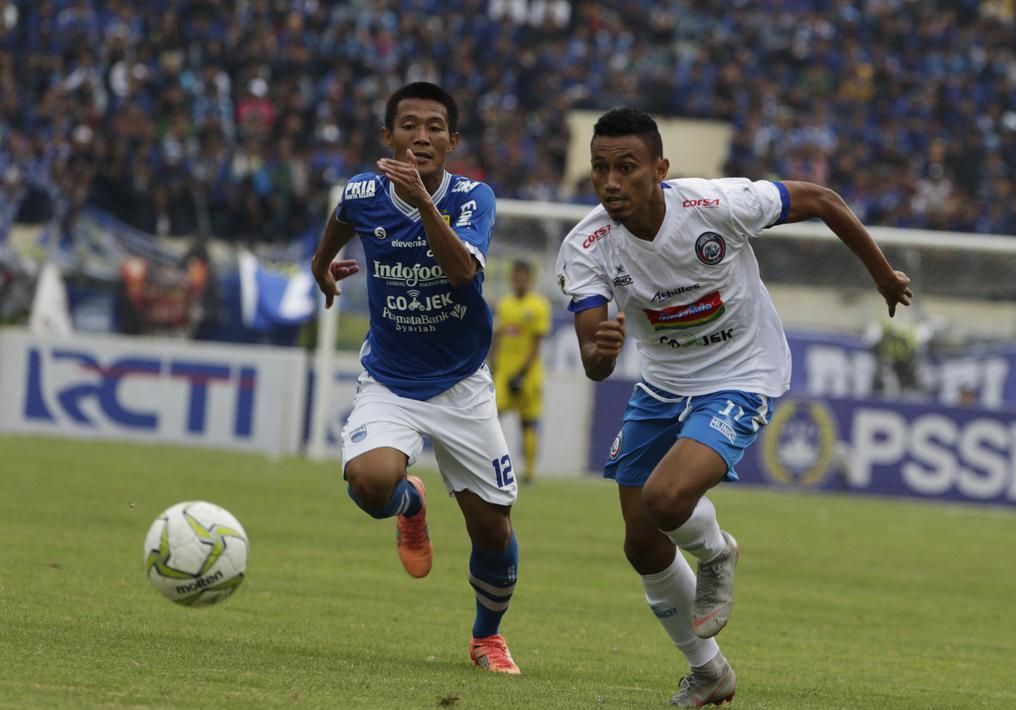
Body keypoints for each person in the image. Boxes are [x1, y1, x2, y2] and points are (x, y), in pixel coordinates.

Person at [555, 108, 912, 706]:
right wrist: (601, 348)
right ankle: (710, 672)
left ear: (660, 169)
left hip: (743, 373)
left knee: (667, 499)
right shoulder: (586, 247)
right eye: (600, 168)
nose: (611, 182)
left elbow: (822, 199)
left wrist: (881, 276)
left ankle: (717, 550)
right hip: (663, 384)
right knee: (641, 543)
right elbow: (594, 361)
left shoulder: (716, 205)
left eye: (626, 167)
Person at [311, 81, 522, 674]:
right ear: (389, 137)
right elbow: (340, 217)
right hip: (391, 380)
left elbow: (460, 274)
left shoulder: (474, 199)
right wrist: (322, 266)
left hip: (461, 384)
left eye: (434, 127)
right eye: (409, 125)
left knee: (492, 529)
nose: (421, 137)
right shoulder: (363, 191)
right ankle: (409, 503)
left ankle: (487, 637)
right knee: (370, 481)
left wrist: (423, 204)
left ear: (453, 141)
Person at [491, 260, 552, 483]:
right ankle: (489, 465)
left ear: (530, 279)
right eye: (517, 275)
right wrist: (494, 364)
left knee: (527, 422)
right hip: (504, 371)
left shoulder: (538, 306)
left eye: (524, 276)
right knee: (490, 418)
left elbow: (537, 344)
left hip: (527, 373)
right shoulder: (504, 305)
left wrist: (522, 373)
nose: (520, 280)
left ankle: (529, 472)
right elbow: (497, 337)